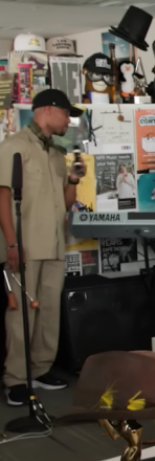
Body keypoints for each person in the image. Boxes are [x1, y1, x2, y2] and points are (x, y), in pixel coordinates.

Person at [0, 90, 82, 405]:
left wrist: (74, 180)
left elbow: (63, 204)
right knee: (21, 314)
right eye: (66, 114)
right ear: (47, 110)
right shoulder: (15, 147)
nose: (69, 120)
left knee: (48, 311)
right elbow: (3, 197)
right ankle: (16, 379)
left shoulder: (57, 154)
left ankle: (41, 367)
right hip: (24, 245)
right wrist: (10, 242)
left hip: (54, 245)